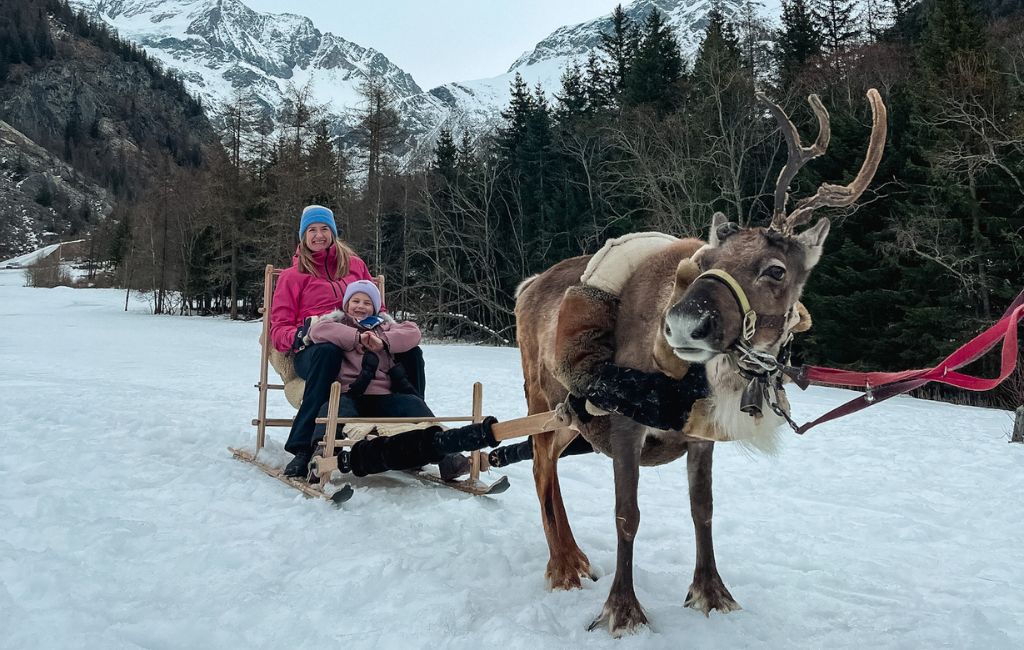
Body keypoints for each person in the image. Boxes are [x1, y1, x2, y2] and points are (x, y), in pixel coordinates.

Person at [303, 280, 471, 481]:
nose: (360, 306)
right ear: (346, 304)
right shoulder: (338, 323)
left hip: (384, 396)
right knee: (332, 409)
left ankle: (447, 456)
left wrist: (383, 342)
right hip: (351, 394)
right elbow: (317, 331)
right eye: (355, 301)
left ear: (375, 307)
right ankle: (320, 456)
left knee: (415, 405)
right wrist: (358, 337)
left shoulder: (384, 326)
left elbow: (413, 332)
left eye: (367, 302)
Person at [269, 205, 380, 476]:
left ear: (333, 232)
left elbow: (379, 309)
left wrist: (378, 334)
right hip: (313, 350)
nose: (319, 235)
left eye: (324, 229)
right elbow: (278, 330)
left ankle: (415, 430)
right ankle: (303, 447)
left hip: (357, 344)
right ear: (303, 236)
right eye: (312, 230)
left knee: (410, 354)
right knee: (327, 352)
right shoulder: (292, 276)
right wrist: (301, 335)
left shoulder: (355, 266)